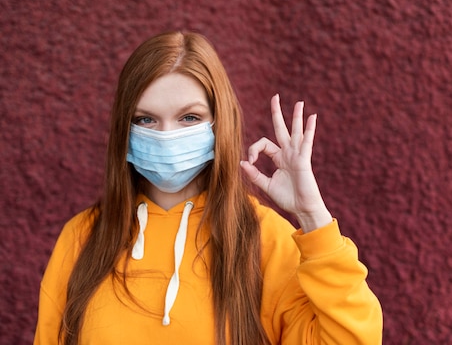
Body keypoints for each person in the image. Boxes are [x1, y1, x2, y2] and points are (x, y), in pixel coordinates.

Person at [34, 31, 383, 345]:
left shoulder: (269, 241)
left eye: (189, 118)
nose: (167, 135)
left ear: (220, 123)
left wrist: (312, 216)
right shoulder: (82, 237)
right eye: (145, 119)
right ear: (124, 129)